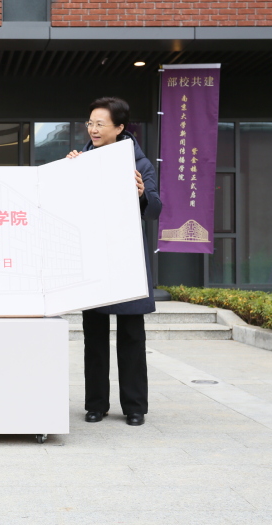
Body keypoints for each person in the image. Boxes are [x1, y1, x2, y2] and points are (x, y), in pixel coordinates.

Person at [67, 96, 162, 427]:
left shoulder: (140, 164)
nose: (93, 129)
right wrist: (69, 172)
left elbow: (156, 210)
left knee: (132, 337)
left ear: (120, 128)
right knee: (93, 337)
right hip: (94, 258)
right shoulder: (81, 160)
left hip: (126, 260)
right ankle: (96, 404)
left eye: (100, 124)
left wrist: (142, 193)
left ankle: (134, 407)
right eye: (90, 123)